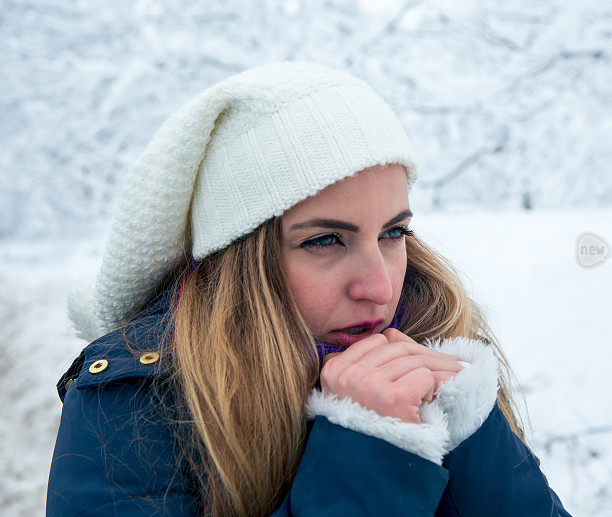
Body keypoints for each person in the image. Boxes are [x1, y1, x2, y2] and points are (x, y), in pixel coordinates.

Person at [46, 61, 572, 516]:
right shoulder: (137, 404)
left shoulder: (435, 348)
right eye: (325, 240)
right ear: (241, 264)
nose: (380, 285)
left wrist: (468, 427)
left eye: (394, 232)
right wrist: (369, 450)